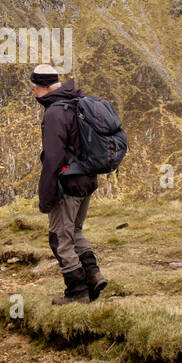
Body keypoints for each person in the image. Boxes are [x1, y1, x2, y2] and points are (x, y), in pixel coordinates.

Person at [31, 65, 108, 305]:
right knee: (75, 231)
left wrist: (46, 196)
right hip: (88, 179)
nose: (33, 93)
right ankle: (94, 275)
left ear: (42, 87)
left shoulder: (54, 113)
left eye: (33, 88)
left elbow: (53, 158)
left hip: (68, 183)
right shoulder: (77, 102)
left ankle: (77, 293)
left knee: (59, 238)